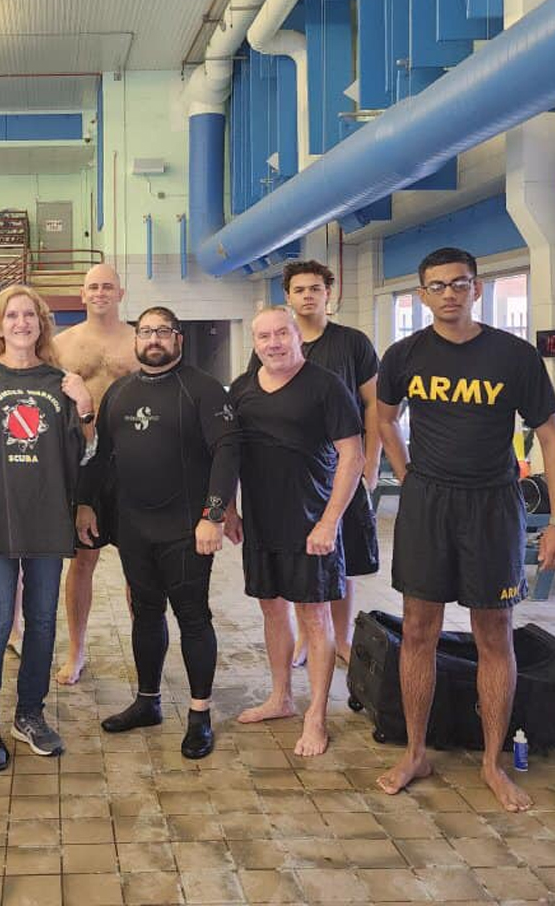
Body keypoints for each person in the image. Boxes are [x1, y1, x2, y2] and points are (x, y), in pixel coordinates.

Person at [375, 247, 555, 812]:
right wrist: (409, 475)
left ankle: (492, 763)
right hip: (429, 503)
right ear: (423, 293)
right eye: (437, 285)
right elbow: (382, 417)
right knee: (419, 628)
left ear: (477, 289)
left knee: (494, 632)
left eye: (460, 284)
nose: (449, 294)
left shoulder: (515, 357)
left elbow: (549, 434)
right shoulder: (403, 354)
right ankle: (416, 752)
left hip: (493, 504)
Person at [78, 307, 240, 758]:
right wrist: (87, 503)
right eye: (145, 331)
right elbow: (101, 455)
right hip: (134, 527)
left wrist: (214, 514)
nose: (154, 339)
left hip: (186, 528)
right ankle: (147, 702)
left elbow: (227, 453)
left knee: (193, 617)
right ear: (136, 339)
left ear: (178, 339)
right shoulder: (119, 393)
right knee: (145, 615)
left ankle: (199, 714)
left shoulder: (203, 389)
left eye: (162, 332)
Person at [0, 285, 95, 770]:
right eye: (11, 315)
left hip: (46, 519)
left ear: (41, 323)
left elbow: (86, 454)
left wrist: (86, 407)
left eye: (29, 315)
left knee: (42, 623)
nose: (20, 322)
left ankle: (30, 714)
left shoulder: (62, 380)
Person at [228, 307, 363, 757]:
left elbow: (353, 456)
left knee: (315, 617)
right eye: (263, 336)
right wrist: (227, 507)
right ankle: (282, 696)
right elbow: (228, 453)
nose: (273, 343)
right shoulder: (243, 389)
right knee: (271, 609)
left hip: (312, 523)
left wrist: (329, 522)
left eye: (281, 333)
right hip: (263, 522)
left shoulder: (326, 385)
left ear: (296, 336)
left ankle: (317, 715)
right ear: (254, 343)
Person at [248, 260, 381, 665]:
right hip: (294, 483)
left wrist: (370, 463)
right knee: (300, 568)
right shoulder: (274, 344)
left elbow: (374, 403)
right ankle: (308, 638)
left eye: (315, 288)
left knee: (342, 561)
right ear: (287, 297)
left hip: (341, 470)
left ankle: (339, 638)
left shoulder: (352, 342)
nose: (307, 295)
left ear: (328, 294)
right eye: (299, 289)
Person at [53, 262, 140, 684]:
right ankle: (77, 649)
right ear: (83, 295)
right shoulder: (62, 345)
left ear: (120, 294)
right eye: (93, 287)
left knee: (137, 563)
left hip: (132, 462)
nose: (100, 293)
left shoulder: (140, 341)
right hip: (81, 463)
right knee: (82, 560)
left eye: (108, 286)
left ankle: (143, 646)